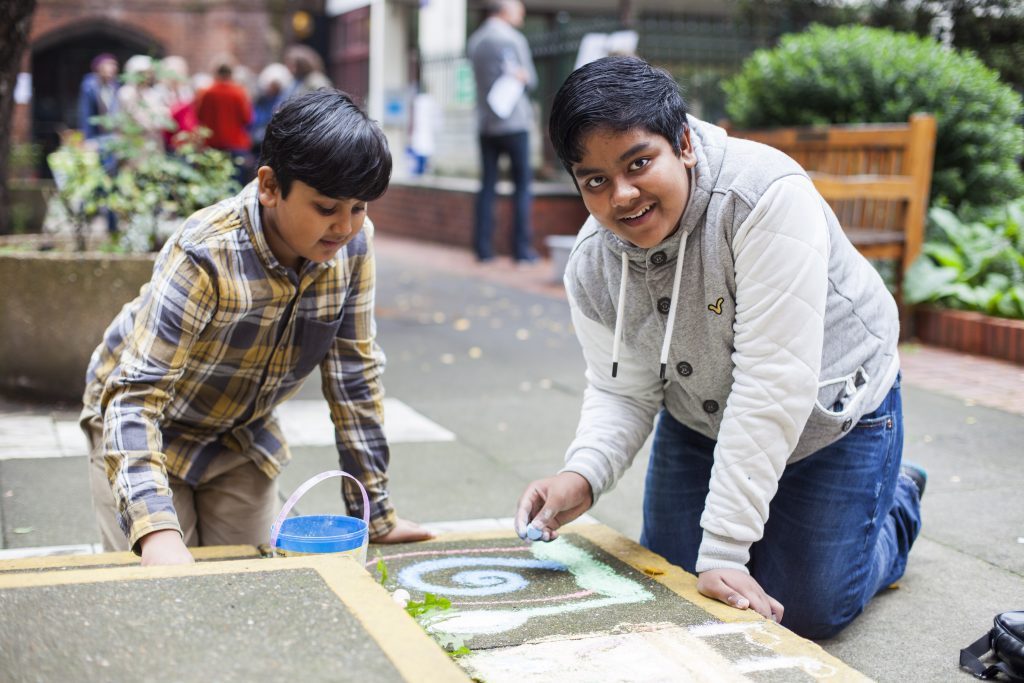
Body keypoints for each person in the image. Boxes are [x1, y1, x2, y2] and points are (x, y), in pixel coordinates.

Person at [514, 56, 924, 639]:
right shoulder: (593, 264)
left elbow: (772, 383)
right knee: (674, 583)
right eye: (595, 180)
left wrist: (726, 549)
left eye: (638, 163)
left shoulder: (764, 198)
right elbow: (622, 389)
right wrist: (582, 475)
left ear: (683, 143)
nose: (622, 195)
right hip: (700, 415)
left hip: (832, 412)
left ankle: (897, 499)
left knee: (807, 609)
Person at [81, 89, 433, 566]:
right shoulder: (205, 252)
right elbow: (137, 396)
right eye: (326, 208)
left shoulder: (352, 246)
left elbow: (354, 377)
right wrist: (157, 532)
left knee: (253, 576)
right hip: (146, 424)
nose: (345, 227)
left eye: (359, 207)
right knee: (164, 583)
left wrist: (375, 512)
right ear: (269, 186)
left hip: (240, 434)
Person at [467, 0, 538, 263]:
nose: (522, 16)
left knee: (487, 186)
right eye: (519, 11)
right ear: (505, 10)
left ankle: (483, 249)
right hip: (514, 123)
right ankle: (521, 251)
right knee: (522, 186)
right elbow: (531, 79)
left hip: (486, 123)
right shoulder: (514, 39)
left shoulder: (475, 42)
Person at [77, 53, 120, 233]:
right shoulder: (90, 85)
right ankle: (85, 218)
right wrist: (88, 139)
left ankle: (112, 223)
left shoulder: (116, 86)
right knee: (95, 180)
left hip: (114, 141)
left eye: (113, 66)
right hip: (96, 140)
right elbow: (85, 113)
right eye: (107, 66)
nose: (111, 70)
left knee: (112, 181)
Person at [195, 57, 254, 184]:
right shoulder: (239, 93)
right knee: (235, 183)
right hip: (235, 143)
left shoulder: (206, 92)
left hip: (212, 143)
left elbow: (199, 116)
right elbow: (247, 118)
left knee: (213, 182)